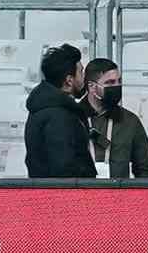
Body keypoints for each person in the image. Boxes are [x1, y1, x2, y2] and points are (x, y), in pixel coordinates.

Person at [24, 43, 96, 179]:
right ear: (69, 81)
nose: (84, 78)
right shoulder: (59, 117)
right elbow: (64, 170)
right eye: (81, 72)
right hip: (66, 197)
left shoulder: (44, 107)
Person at [82, 57, 148, 180]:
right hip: (80, 195)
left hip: (121, 195)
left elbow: (144, 169)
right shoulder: (72, 118)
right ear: (92, 87)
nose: (117, 86)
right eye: (110, 83)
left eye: (119, 81)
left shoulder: (130, 121)